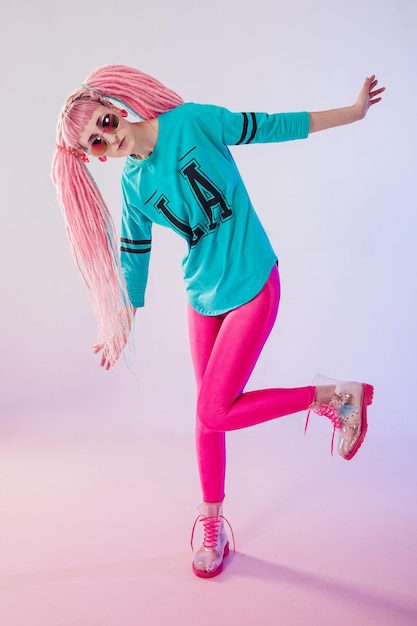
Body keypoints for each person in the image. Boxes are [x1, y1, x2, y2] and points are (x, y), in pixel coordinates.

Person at [51, 64, 384, 579]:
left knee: (213, 408)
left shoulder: (193, 122)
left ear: (116, 108)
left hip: (252, 282)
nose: (106, 140)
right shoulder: (134, 186)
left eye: (104, 124)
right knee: (208, 415)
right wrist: (122, 322)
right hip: (202, 296)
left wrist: (353, 111)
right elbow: (133, 255)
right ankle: (212, 523)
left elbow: (271, 125)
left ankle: (337, 398)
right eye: (95, 144)